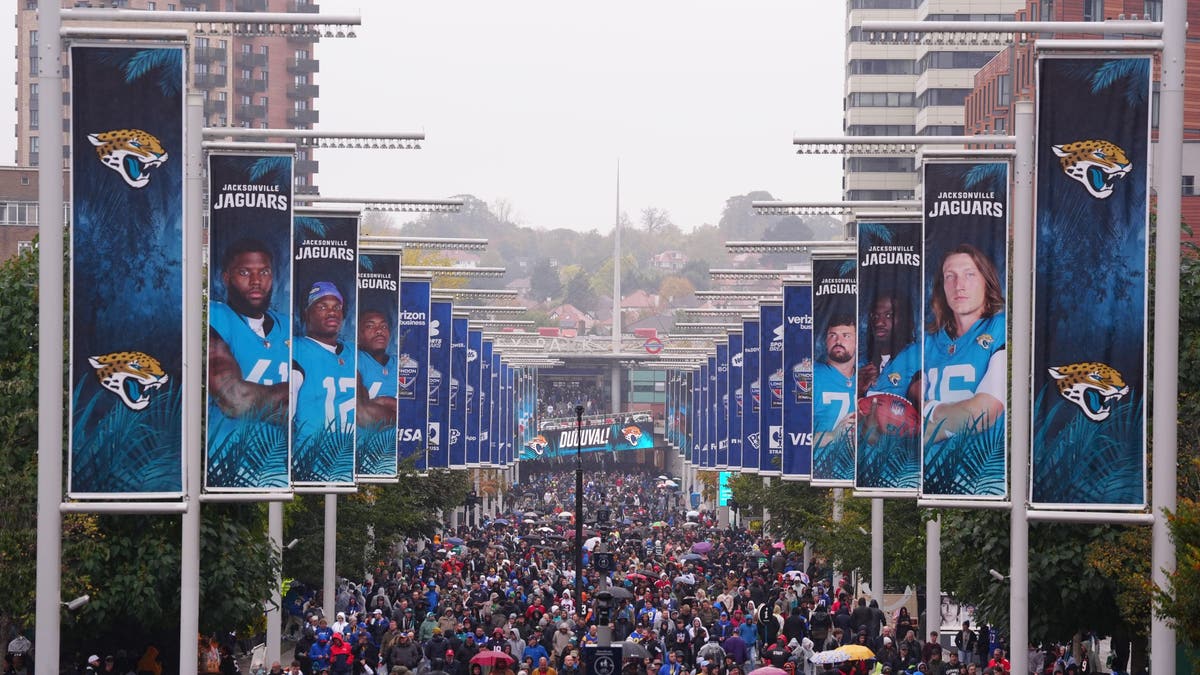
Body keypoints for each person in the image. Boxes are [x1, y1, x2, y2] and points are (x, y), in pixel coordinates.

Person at [207, 239, 291, 480]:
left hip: (279, 471)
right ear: (226, 277)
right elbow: (235, 399)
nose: (256, 281)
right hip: (227, 471)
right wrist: (291, 395)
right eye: (245, 272)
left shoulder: (287, 325)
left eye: (264, 272)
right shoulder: (216, 317)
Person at [922, 244, 1006, 445]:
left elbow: (982, 414)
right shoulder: (929, 340)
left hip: (981, 471)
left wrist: (930, 409)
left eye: (969, 274)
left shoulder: (1001, 328)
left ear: (986, 281)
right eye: (950, 276)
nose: (959, 285)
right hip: (927, 472)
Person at [291, 281, 357, 455]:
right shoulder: (296, 350)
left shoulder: (354, 352)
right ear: (306, 313)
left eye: (337, 307)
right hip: (310, 463)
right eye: (322, 307)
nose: (332, 313)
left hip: (347, 464)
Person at [857, 293, 918, 398]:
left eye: (888, 315)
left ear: (904, 319)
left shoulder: (916, 355)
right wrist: (859, 390)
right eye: (875, 316)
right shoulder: (862, 364)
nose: (879, 323)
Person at [814, 314, 858, 452]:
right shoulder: (810, 376)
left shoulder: (868, 377)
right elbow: (793, 437)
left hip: (860, 471)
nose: (838, 341)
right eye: (832, 335)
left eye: (846, 335)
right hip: (821, 471)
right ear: (825, 341)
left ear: (858, 341)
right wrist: (833, 436)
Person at [356, 309, 399, 426]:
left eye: (384, 326)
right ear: (358, 334)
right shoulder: (354, 359)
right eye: (370, 326)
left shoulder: (401, 363)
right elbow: (362, 414)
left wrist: (384, 401)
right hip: (365, 443)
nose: (379, 330)